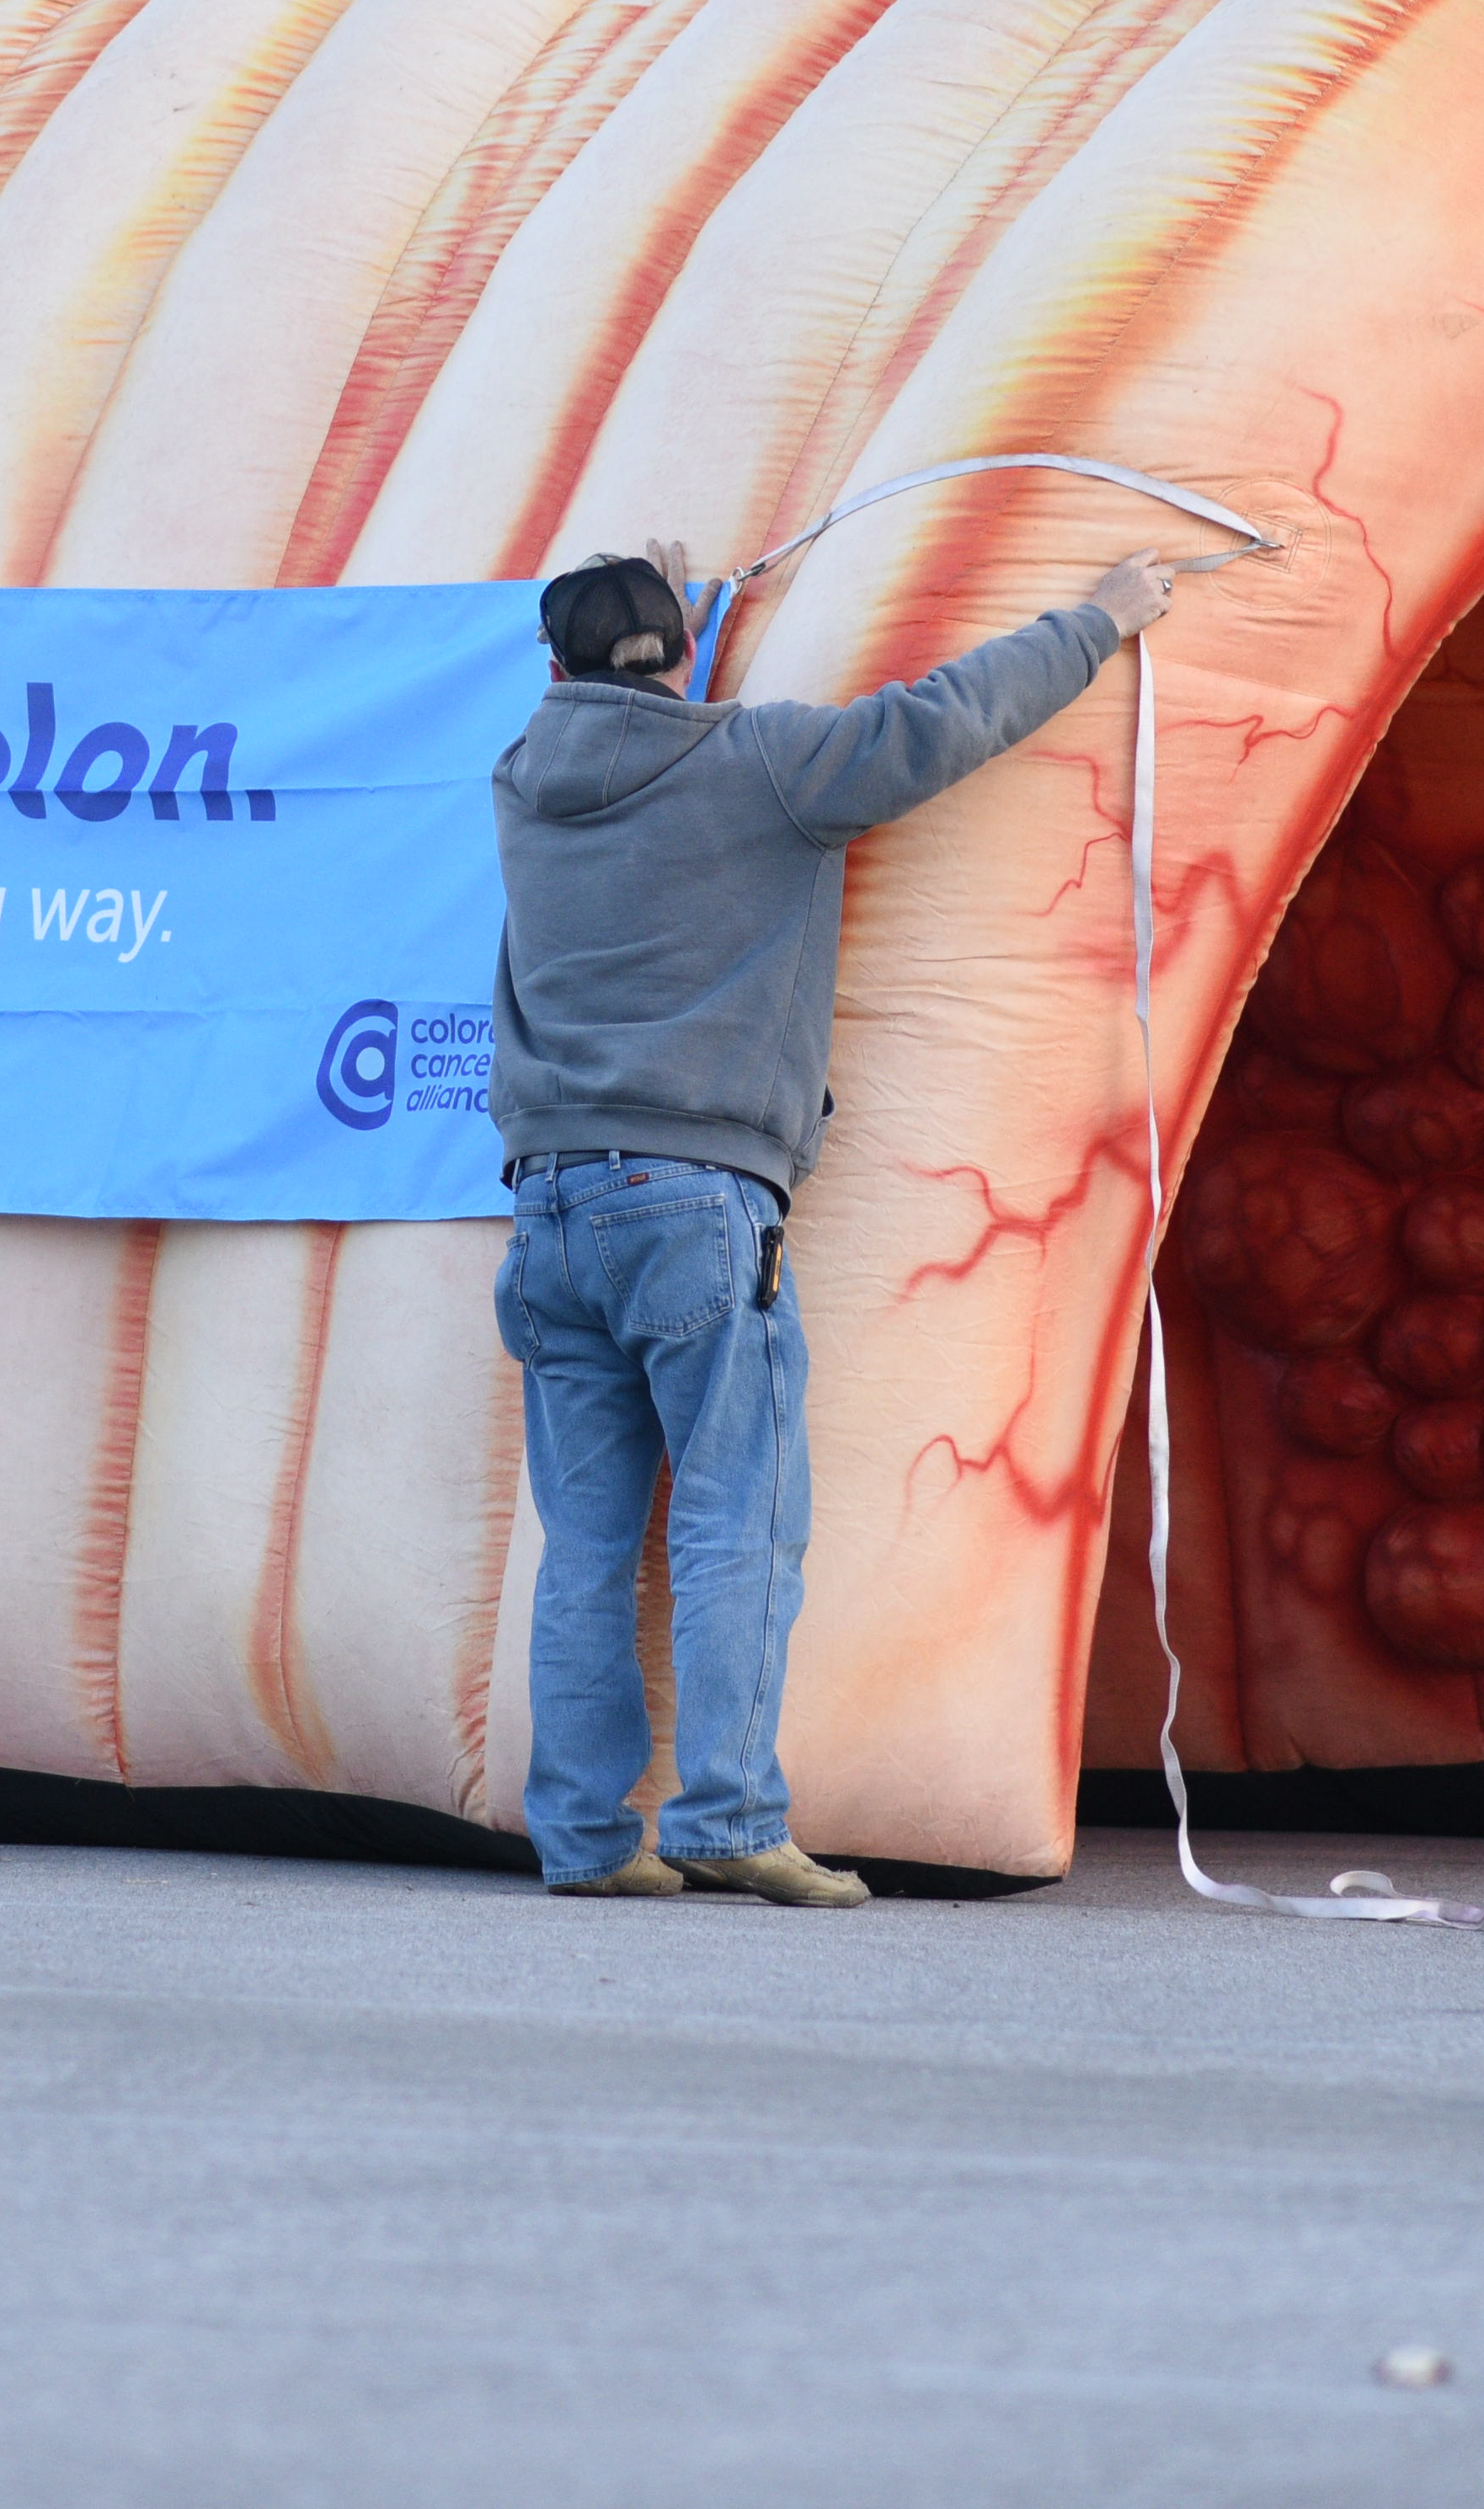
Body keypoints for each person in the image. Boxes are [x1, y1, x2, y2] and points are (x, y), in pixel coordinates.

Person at [486, 535, 1174, 1906]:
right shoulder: (761, 768)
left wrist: (672, 616)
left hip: (548, 1207)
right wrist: (1099, 620)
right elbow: (944, 723)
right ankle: (727, 1815)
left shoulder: (523, 783)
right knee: (740, 1514)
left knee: (588, 1545)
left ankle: (582, 1838)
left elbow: (629, 725)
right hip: (692, 1202)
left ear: (554, 669)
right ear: (680, 657)